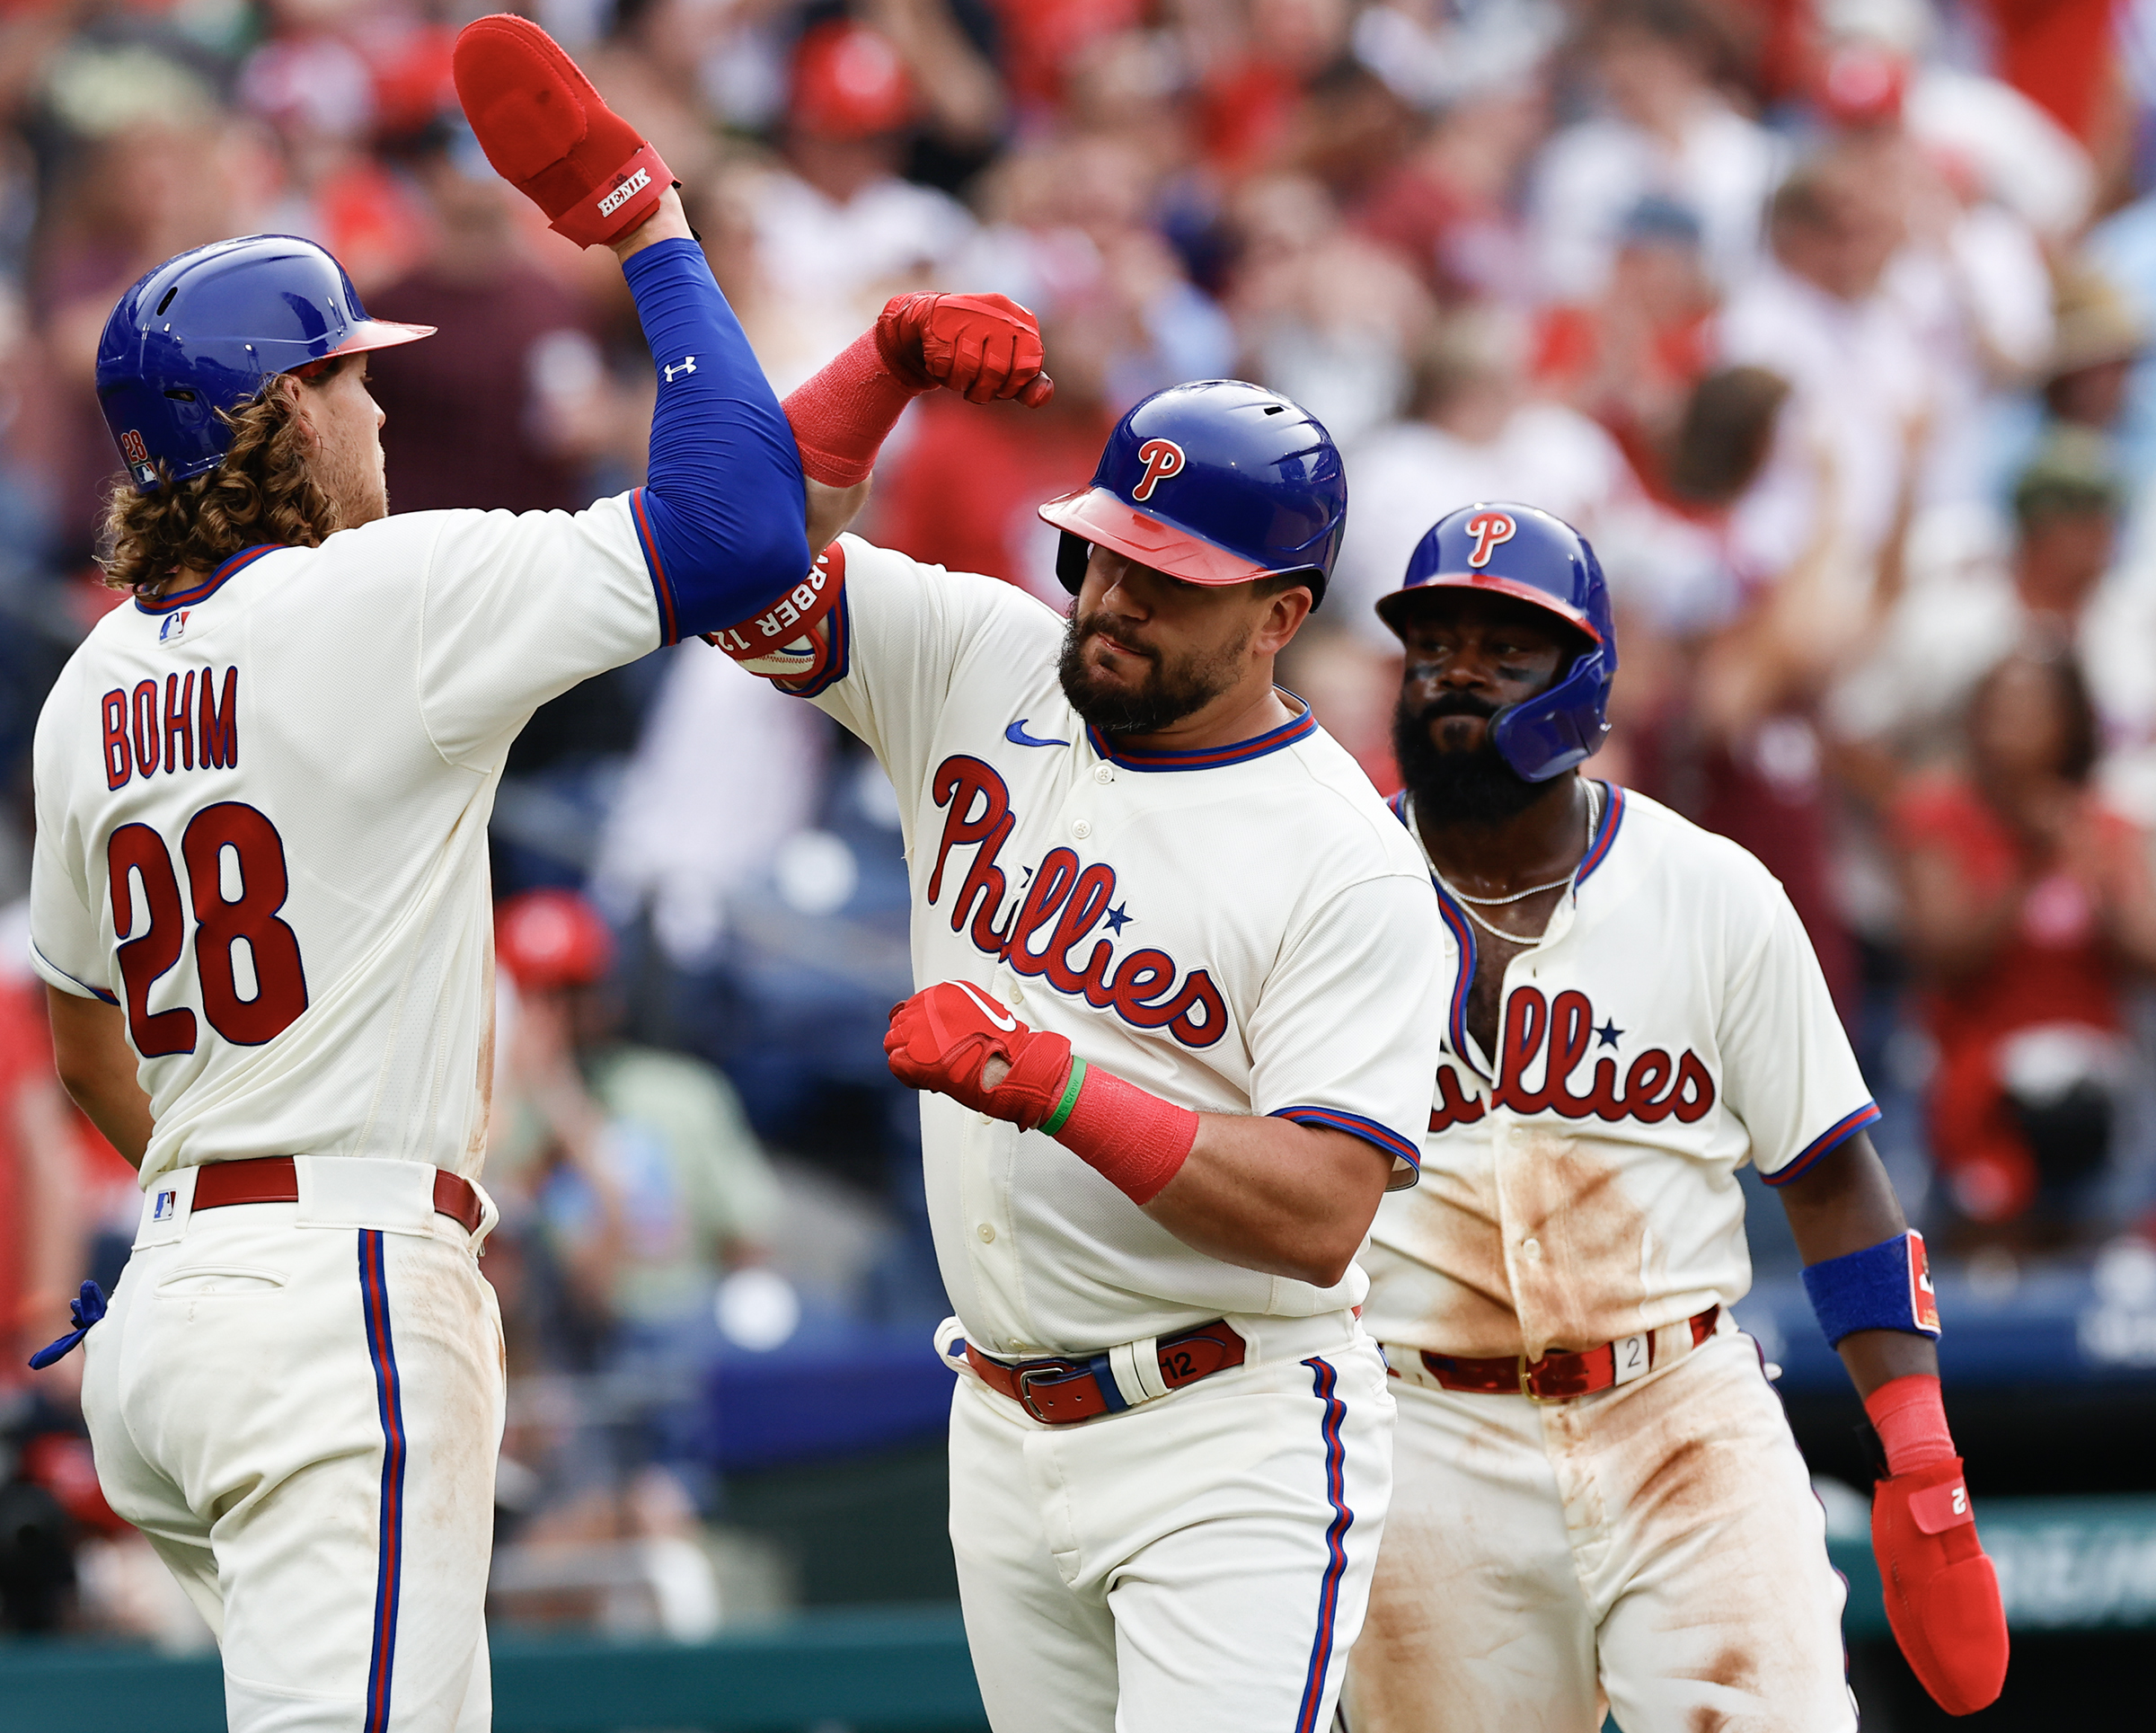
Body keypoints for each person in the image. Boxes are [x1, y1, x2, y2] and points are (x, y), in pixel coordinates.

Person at [22, 19, 830, 1729]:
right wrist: (650, 228)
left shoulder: (96, 676)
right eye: (350, 375)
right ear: (281, 416)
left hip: (179, 1302)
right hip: (338, 1292)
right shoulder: (379, 599)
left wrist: (208, 1197)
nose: (378, 403)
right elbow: (744, 524)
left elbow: (85, 1026)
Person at [726, 313, 1448, 1724]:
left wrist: (1054, 1086)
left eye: (1168, 578)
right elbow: (733, 554)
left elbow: (1318, 1209)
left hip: (1225, 1432)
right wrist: (879, 370)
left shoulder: (1343, 855)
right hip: (999, 1418)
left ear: (1279, 615)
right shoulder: (984, 661)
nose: (1112, 595)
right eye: (1103, 549)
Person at [1339, 503, 2008, 1729]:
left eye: (1507, 646)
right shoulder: (1329, 889)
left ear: (1584, 677)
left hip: (1679, 1414)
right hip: (1423, 1433)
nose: (1460, 671)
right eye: (1435, 641)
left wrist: (1921, 1451)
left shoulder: (1708, 890)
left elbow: (1828, 1172)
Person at [1891, 647, 2156, 1237]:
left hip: (2097, 1095)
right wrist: (2026, 867)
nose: (2006, 724)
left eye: (2029, 709)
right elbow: (1942, 952)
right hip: (1976, 1093)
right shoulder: (1935, 818)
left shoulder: (2107, 824)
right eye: (1997, 707)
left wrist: (2101, 877)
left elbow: (2146, 951)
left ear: (2069, 722)